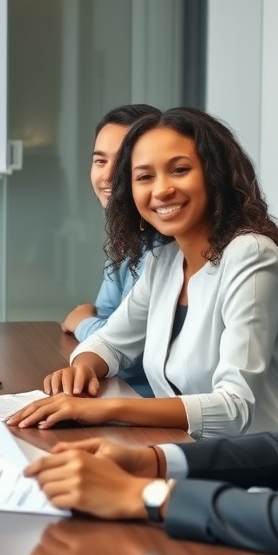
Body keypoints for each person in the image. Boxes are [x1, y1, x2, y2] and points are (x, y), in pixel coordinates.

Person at [22, 1, 278, 555]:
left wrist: (148, 492)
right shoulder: (165, 260)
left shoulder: (265, 258)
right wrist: (148, 458)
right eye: (143, 177)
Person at [9, 107, 278, 438]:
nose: (161, 190)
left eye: (179, 170)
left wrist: (101, 408)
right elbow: (111, 342)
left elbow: (234, 407)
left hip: (264, 469)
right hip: (185, 452)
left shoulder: (251, 256)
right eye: (144, 177)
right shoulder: (164, 261)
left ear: (214, 174)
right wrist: (81, 369)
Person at [61, 103, 161, 397]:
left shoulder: (170, 247)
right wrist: (95, 326)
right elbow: (110, 328)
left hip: (148, 402)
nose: (107, 176)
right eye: (100, 161)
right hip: (123, 395)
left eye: (122, 162)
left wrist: (83, 323)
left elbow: (133, 353)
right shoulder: (129, 239)